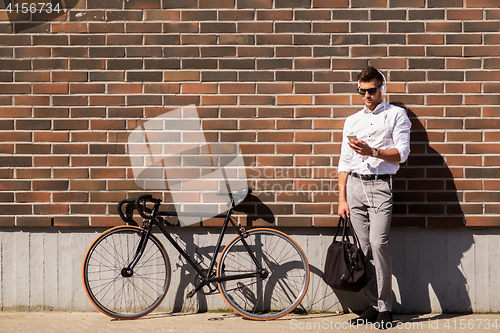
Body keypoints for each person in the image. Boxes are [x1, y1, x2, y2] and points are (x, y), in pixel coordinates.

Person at [337, 66, 411, 329]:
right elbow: (344, 161)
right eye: (362, 91)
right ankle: (373, 306)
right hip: (355, 187)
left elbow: (402, 153)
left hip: (380, 186)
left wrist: (373, 152)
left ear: (383, 88)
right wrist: (341, 198)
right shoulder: (352, 120)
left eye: (371, 90)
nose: (366, 95)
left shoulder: (396, 115)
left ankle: (386, 308)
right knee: (363, 248)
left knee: (379, 245)